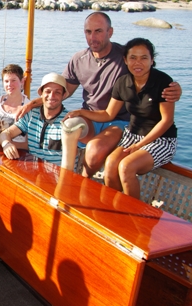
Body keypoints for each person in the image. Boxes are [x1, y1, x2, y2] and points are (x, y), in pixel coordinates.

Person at [19, 12, 181, 177]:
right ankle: (66, 176)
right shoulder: (78, 59)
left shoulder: (124, 56)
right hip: (90, 116)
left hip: (119, 121)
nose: (92, 37)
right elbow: (62, 91)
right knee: (70, 125)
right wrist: (33, 103)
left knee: (94, 149)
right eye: (88, 32)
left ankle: (82, 180)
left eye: (98, 31)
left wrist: (176, 88)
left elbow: (147, 72)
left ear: (110, 32)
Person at [64, 38, 178, 199]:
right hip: (133, 135)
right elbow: (108, 114)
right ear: (125, 60)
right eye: (133, 58)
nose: (138, 63)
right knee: (110, 166)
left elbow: (166, 121)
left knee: (125, 167)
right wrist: (82, 112)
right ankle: (115, 209)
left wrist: (140, 145)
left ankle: (134, 217)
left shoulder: (163, 82)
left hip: (161, 139)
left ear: (152, 60)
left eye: (144, 58)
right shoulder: (123, 83)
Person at [0, 73, 72, 166]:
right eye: (48, 91)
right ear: (41, 94)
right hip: (34, 173)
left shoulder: (69, 121)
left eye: (57, 92)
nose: (52, 96)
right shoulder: (32, 115)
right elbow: (6, 133)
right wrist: (6, 144)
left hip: (59, 176)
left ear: (63, 95)